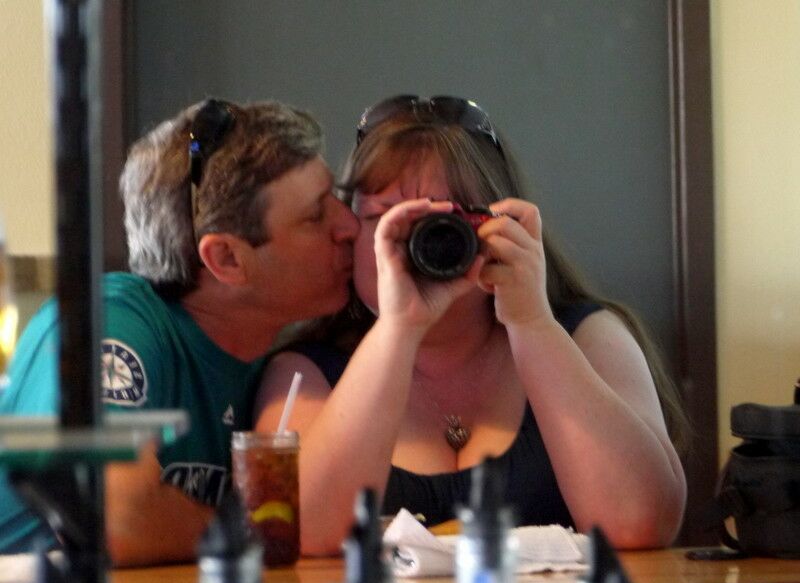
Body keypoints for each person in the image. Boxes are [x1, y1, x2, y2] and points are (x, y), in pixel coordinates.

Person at [254, 95, 688, 556]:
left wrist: (533, 323)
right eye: (385, 217)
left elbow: (640, 524)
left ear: (502, 223)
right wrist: (399, 328)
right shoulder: (304, 375)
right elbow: (295, 534)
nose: (418, 241)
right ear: (348, 231)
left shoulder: (587, 338)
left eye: (447, 219)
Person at [0, 98, 358, 564]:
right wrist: (259, 536)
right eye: (316, 216)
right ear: (227, 259)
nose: (348, 224)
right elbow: (114, 515)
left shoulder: (285, 358)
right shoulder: (111, 318)